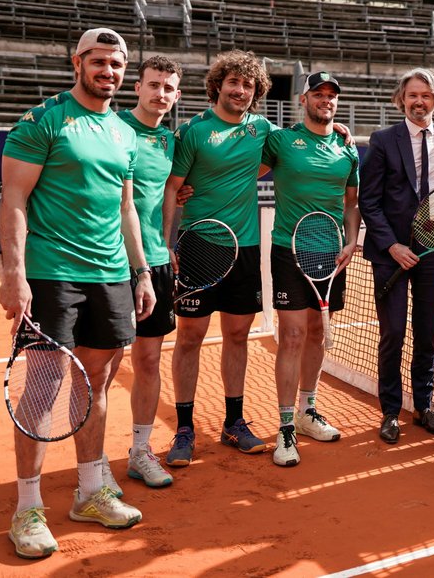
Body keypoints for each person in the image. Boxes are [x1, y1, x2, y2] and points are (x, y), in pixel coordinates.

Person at [0, 27, 155, 559]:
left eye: (117, 64)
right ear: (77, 62)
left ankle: (90, 491)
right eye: (99, 61)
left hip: (110, 273)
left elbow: (126, 207)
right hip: (51, 274)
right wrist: (13, 277)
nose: (108, 71)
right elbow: (13, 200)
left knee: (97, 385)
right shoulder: (43, 120)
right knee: (42, 388)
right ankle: (27, 508)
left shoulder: (124, 131)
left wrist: (140, 272)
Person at [161, 50, 276, 465]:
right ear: (217, 86)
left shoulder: (262, 129)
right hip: (197, 246)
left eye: (248, 85)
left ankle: (234, 421)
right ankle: (185, 428)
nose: (240, 91)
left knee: (238, 336)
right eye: (233, 83)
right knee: (189, 337)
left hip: (244, 249)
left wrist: (335, 128)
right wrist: (166, 243)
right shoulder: (193, 131)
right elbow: (173, 189)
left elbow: (292, 151)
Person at [260, 71, 361, 467]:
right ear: (303, 100)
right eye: (318, 94)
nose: (325, 100)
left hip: (331, 252)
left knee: (318, 330)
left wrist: (352, 239)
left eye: (331, 95)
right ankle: (285, 425)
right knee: (293, 334)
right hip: (289, 249)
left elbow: (351, 203)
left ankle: (307, 411)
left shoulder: (347, 149)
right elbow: (245, 170)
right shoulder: (281, 141)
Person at [359, 67, 434, 445]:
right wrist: (391, 245)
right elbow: (369, 199)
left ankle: (424, 406)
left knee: (427, 334)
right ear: (402, 99)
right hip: (392, 254)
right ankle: (389, 411)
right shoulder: (383, 139)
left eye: (427, 95)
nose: (419, 101)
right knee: (393, 333)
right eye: (413, 95)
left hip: (433, 248)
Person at [112, 55, 182, 488]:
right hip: (109, 263)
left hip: (155, 263)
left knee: (150, 359)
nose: (161, 94)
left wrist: (168, 245)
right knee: (102, 365)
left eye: (169, 88)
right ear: (136, 87)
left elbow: (169, 195)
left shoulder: (170, 141)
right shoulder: (113, 127)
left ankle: (140, 450)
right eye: (154, 85)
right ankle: (93, 460)